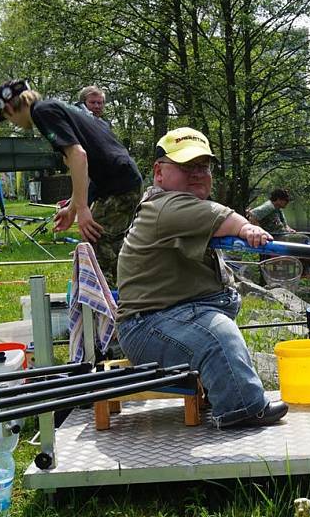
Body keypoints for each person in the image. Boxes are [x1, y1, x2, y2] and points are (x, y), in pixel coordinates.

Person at [115, 127, 288, 428]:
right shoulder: (165, 206)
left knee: (216, 325)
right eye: (185, 166)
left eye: (203, 167)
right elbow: (220, 215)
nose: (197, 173)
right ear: (159, 172)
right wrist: (246, 228)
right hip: (148, 326)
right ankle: (242, 409)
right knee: (217, 336)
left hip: (171, 315)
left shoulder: (181, 209)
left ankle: (223, 388)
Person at [0, 79, 143, 286]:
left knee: (97, 255)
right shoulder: (55, 107)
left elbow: (78, 156)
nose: (14, 124)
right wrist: (73, 208)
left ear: (9, 108)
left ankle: (107, 313)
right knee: (105, 252)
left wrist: (82, 208)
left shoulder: (42, 112)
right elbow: (83, 162)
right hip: (119, 182)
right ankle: (121, 304)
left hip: (119, 186)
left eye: (8, 119)